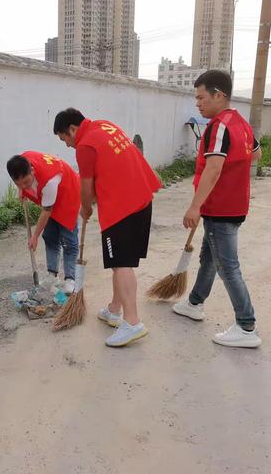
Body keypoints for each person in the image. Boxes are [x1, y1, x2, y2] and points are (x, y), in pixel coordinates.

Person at [54, 108, 161, 347]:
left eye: (65, 139)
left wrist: (86, 208)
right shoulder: (104, 125)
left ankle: (132, 322)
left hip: (122, 207)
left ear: (72, 129)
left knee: (121, 264)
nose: (68, 146)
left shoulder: (85, 146)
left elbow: (87, 186)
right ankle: (115, 309)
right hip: (141, 199)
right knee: (121, 263)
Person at [172, 70, 263, 348]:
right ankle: (194, 302)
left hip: (220, 207)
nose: (197, 104)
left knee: (227, 266)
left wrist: (195, 207)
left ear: (219, 95)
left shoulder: (218, 126)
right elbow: (256, 153)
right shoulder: (241, 123)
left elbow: (213, 169)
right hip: (235, 204)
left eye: (201, 97)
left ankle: (246, 326)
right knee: (210, 257)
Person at [6, 151, 81, 294]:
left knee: (68, 240)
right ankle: (52, 275)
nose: (25, 186)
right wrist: (21, 189)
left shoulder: (49, 181)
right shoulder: (21, 161)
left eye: (26, 182)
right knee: (50, 236)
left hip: (68, 194)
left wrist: (34, 236)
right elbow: (23, 181)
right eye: (18, 183)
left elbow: (46, 211)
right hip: (49, 198)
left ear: (32, 170)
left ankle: (70, 279)